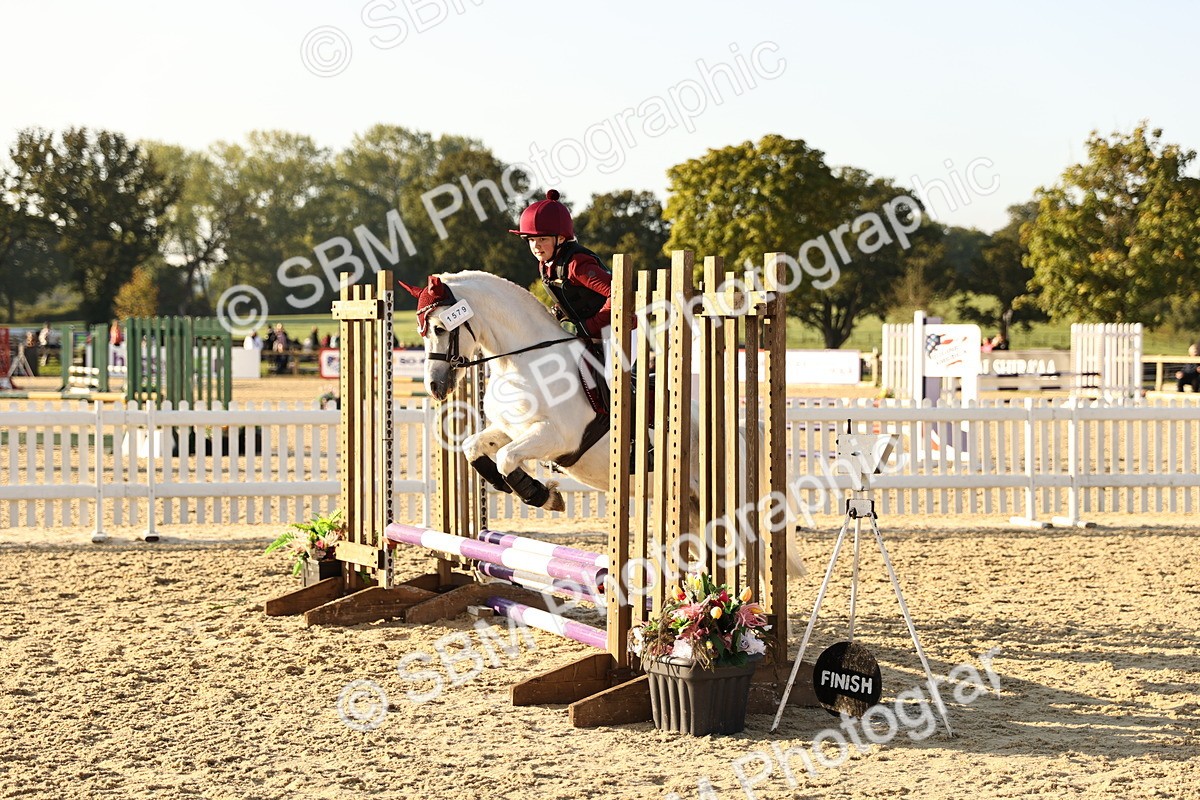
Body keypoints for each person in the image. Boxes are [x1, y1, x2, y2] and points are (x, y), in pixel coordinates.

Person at [508, 190, 611, 342]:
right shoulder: (546, 264)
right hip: (592, 337)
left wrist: (589, 326)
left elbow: (618, 294)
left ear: (561, 238)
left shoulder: (577, 265)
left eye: (542, 239)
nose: (536, 246)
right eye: (531, 240)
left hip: (619, 333)